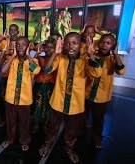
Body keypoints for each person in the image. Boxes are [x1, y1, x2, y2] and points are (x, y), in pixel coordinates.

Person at [39, 32, 102, 163]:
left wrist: (91, 55)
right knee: (52, 126)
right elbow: (47, 70)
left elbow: (96, 73)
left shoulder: (85, 60)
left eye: (74, 43)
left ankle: (69, 148)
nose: (71, 46)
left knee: (72, 130)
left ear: (81, 45)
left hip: (75, 104)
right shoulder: (60, 58)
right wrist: (55, 53)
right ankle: (47, 143)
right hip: (57, 101)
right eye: (67, 43)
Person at [1, 36, 41, 152]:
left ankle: (24, 140)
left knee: (24, 121)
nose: (20, 46)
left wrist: (29, 56)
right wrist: (13, 55)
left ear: (28, 46)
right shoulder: (12, 60)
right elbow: (3, 70)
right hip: (11, 97)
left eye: (23, 44)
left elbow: (36, 70)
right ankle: (10, 139)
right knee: (10, 121)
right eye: (18, 44)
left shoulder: (33, 61)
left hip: (25, 99)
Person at [85, 34, 125, 149]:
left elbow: (121, 72)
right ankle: (80, 132)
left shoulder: (113, 59)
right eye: (102, 42)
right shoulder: (91, 56)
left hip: (101, 96)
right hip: (86, 93)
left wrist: (116, 54)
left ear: (113, 45)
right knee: (82, 116)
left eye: (108, 43)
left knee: (98, 120)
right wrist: (91, 54)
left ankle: (97, 138)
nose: (104, 45)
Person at [31, 37, 57, 134]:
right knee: (37, 106)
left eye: (51, 47)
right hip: (39, 85)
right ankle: (36, 124)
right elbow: (33, 70)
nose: (49, 49)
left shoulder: (57, 60)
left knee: (48, 107)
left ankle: (46, 124)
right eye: (47, 47)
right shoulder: (40, 58)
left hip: (50, 86)